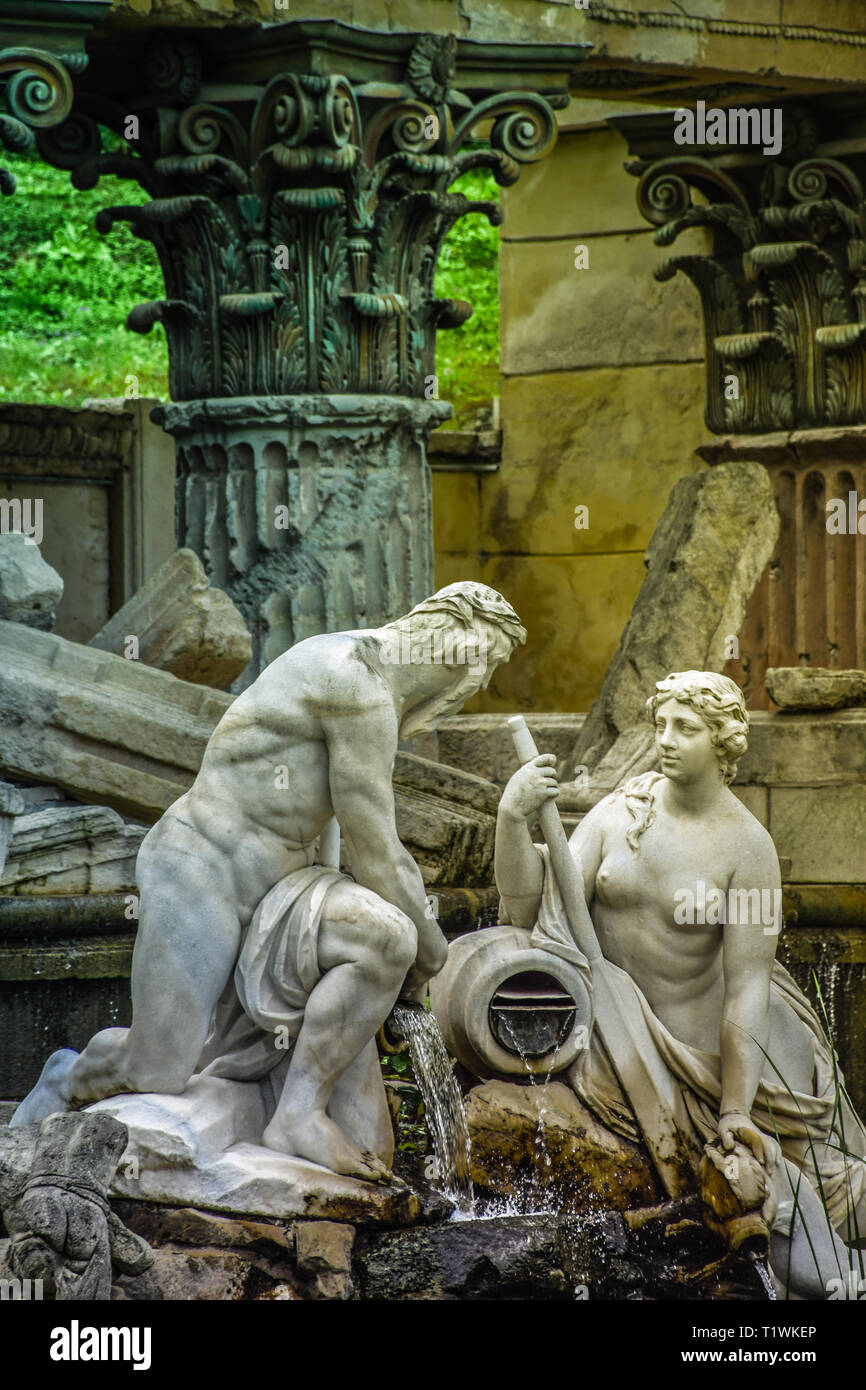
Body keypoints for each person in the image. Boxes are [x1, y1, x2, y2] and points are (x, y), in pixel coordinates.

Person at [14, 582, 526, 1183]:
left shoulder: (377, 691)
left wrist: (396, 936)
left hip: (287, 886)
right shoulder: (352, 679)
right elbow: (378, 849)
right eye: (485, 655)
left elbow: (339, 825)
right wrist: (435, 950)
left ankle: (298, 1114)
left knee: (386, 938)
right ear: (451, 634)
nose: (482, 678)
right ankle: (66, 1076)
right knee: (159, 1068)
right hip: (203, 868)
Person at [495, 669, 866, 1297]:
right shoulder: (621, 813)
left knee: (795, 1191)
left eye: (685, 729)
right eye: (660, 724)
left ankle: (844, 1281)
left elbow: (748, 985)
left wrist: (734, 1107)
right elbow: (524, 912)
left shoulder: (747, 849)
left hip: (713, 1057)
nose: (665, 740)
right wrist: (510, 819)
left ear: (723, 742)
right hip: (617, 1035)